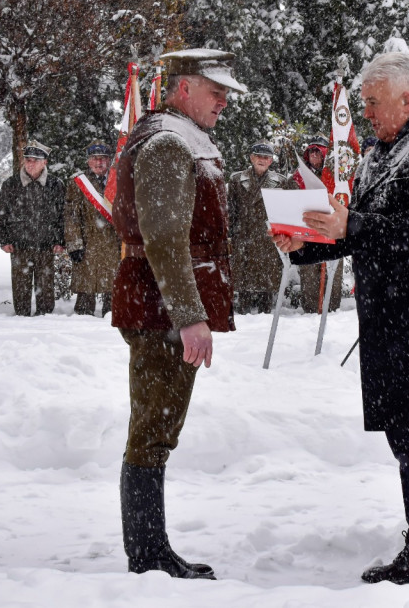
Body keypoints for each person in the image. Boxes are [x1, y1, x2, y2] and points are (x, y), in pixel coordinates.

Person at [273, 52, 409, 606]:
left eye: (371, 103)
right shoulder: (377, 154)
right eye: (363, 102)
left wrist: (356, 223)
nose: (364, 112)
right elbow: (364, 232)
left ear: (407, 100)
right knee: (407, 444)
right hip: (389, 327)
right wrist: (311, 242)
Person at [110, 48, 245, 580]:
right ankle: (147, 555)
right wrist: (189, 315)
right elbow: (165, 239)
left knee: (159, 424)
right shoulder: (168, 141)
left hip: (162, 304)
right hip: (161, 308)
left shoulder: (180, 135)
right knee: (154, 428)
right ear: (183, 88)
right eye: (216, 92)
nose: (225, 103)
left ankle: (150, 548)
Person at [0, 140, 65, 316]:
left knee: (46, 292)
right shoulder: (11, 184)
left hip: (46, 245)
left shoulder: (55, 185)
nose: (30, 163)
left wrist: (60, 240)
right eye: (28, 159)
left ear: (45, 162)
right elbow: (2, 214)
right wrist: (4, 239)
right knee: (20, 292)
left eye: (35, 160)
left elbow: (63, 216)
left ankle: (45, 322)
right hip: (19, 246)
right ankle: (21, 321)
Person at [228, 141, 295, 314]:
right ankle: (242, 312)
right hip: (244, 235)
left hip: (267, 238)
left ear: (271, 161)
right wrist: (231, 233)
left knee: (267, 281)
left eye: (266, 157)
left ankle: (266, 313)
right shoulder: (236, 179)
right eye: (258, 156)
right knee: (243, 281)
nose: (262, 160)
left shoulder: (280, 181)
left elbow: (284, 211)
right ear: (251, 157)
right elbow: (231, 209)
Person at [64, 140, 121, 316]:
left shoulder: (118, 181)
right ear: (88, 161)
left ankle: (111, 324)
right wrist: (75, 244)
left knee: (115, 295)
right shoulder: (78, 183)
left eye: (103, 158)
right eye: (95, 158)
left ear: (110, 160)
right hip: (87, 245)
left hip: (114, 246)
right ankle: (83, 331)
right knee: (85, 295)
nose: (99, 162)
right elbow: (71, 216)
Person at [292, 135, 344, 313]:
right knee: (309, 267)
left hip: (332, 225)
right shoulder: (299, 176)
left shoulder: (337, 175)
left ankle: (332, 307)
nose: (315, 156)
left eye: (318, 152)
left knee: (333, 265)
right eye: (311, 152)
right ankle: (310, 307)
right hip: (307, 227)